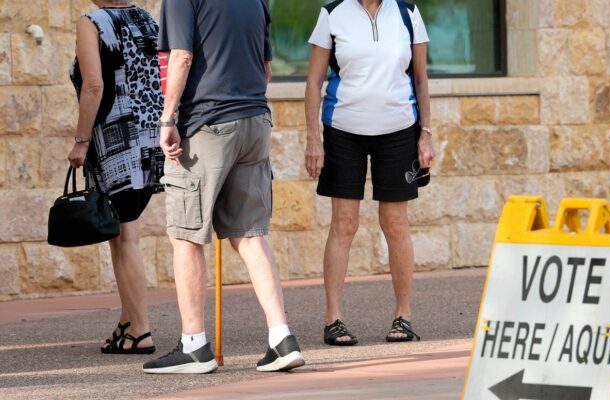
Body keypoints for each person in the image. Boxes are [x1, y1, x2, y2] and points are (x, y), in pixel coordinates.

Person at [142, 0, 305, 374]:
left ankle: (194, 346)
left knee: (185, 236)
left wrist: (167, 118)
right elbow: (266, 70)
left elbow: (180, 57)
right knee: (250, 235)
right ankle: (282, 339)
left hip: (207, 125)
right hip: (254, 121)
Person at [304, 0, 435, 345]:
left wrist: (426, 132)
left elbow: (420, 80)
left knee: (395, 224)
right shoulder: (332, 14)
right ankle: (333, 318)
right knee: (343, 224)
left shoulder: (408, 13)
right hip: (343, 131)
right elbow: (314, 81)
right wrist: (312, 139)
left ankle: (403, 316)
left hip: (398, 131)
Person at [68, 0, 164, 355]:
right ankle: (127, 321)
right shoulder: (146, 19)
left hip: (116, 140)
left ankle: (140, 330)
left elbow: (93, 87)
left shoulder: (92, 22)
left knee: (124, 238)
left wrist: (81, 141)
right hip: (150, 138)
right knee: (127, 231)